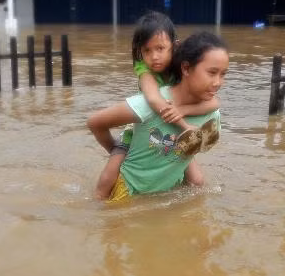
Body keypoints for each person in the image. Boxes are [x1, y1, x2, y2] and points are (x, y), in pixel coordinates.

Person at [87, 31, 228, 202]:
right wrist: (117, 150)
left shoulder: (212, 116)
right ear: (185, 68)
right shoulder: (149, 105)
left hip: (168, 198)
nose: (218, 82)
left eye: (223, 74)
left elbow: (188, 154)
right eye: (212, 73)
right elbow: (95, 123)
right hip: (126, 196)